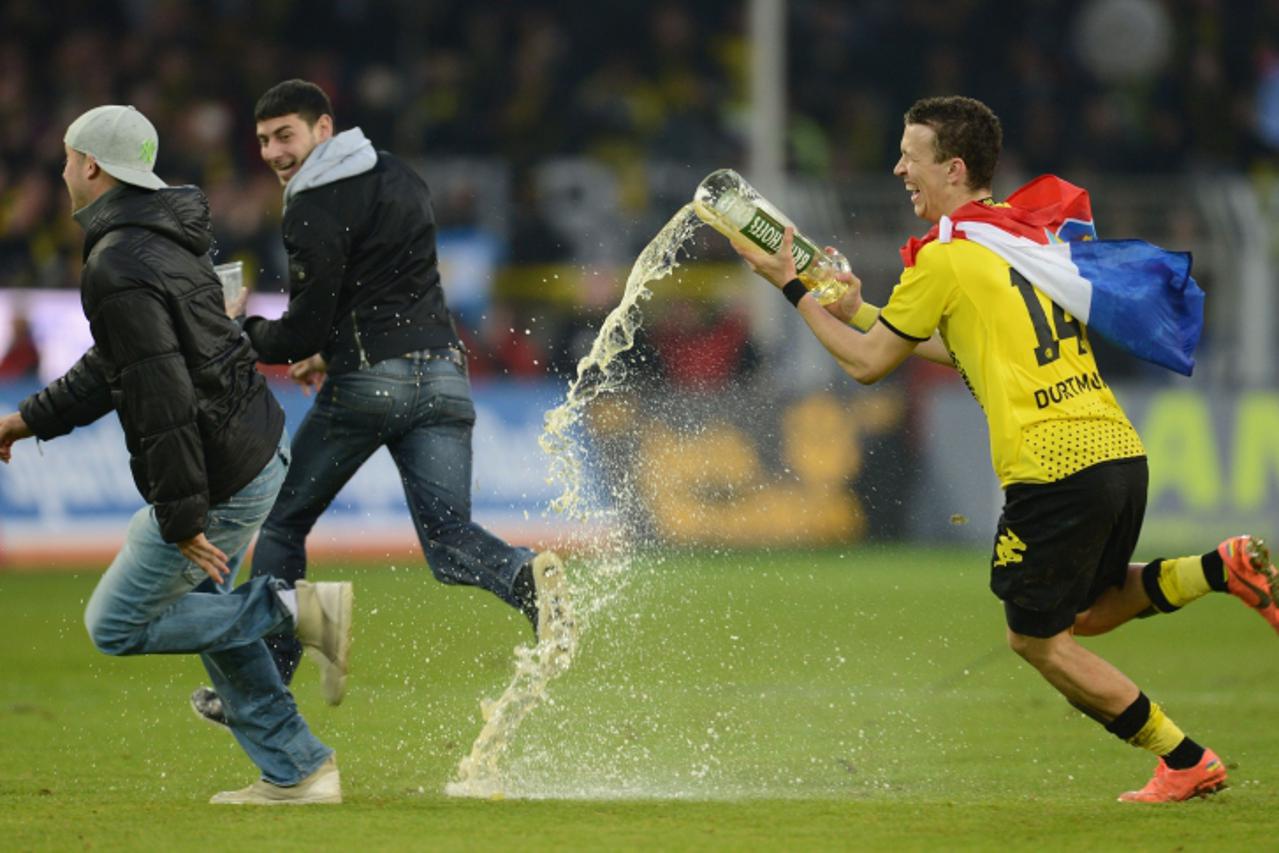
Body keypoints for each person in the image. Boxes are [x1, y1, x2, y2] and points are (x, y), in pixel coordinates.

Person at [732, 95, 1278, 803]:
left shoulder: (947, 258)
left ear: (952, 168)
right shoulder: (1019, 240)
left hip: (1053, 467)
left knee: (1036, 639)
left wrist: (791, 285)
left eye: (910, 155)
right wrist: (856, 310)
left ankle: (1182, 758)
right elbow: (948, 343)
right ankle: (1221, 567)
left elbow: (867, 365)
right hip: (1116, 450)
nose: (898, 168)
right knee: (1090, 607)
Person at [0, 104, 353, 805]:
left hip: (219, 467)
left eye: (70, 157)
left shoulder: (115, 261)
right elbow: (118, 365)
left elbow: (160, 394)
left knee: (117, 622)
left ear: (92, 166)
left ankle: (300, 612)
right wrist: (26, 421)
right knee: (203, 611)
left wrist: (182, 515)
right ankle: (297, 768)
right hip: (251, 441)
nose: (64, 169)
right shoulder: (161, 239)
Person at [191, 79, 573, 725]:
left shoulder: (309, 201)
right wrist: (330, 350)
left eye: (284, 135)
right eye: (262, 141)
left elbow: (301, 330)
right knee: (451, 543)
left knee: (283, 524)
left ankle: (263, 684)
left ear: (322, 129)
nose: (274, 153)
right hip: (447, 376)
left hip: (371, 382)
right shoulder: (400, 174)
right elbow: (385, 286)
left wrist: (238, 326)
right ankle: (526, 577)